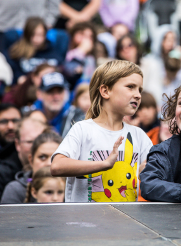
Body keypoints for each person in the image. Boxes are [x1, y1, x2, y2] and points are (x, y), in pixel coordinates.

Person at [51, 60, 153, 202]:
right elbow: (57, 166)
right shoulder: (83, 129)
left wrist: (147, 172)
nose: (138, 95)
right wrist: (104, 164)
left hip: (125, 223)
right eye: (130, 87)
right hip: (83, 222)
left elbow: (155, 173)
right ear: (105, 91)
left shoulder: (139, 135)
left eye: (139, 90)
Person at [1, 130, 62, 204]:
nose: (49, 163)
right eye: (42, 157)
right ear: (31, 160)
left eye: (55, 158)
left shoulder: (72, 189)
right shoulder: (15, 190)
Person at [4, 18, 66, 85]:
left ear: (45, 35)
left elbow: (61, 69)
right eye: (32, 35)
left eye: (40, 35)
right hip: (24, 88)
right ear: (27, 35)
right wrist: (19, 76)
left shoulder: (53, 52)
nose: (36, 39)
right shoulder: (17, 52)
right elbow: (12, 70)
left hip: (49, 89)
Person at [0, 117, 47, 199]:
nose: (36, 147)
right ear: (17, 144)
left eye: (41, 141)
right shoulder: (3, 173)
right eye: (30, 142)